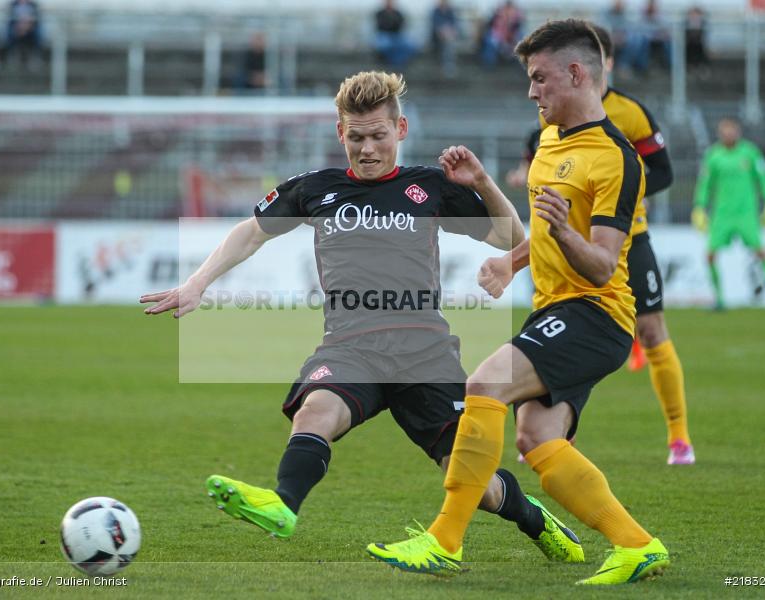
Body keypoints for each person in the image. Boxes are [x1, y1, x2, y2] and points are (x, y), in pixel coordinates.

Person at [141, 71, 584, 564]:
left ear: (401, 129)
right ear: (340, 134)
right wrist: (197, 283)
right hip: (351, 347)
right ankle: (284, 505)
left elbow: (508, 237)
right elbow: (251, 232)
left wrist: (481, 182)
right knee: (316, 412)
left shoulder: (430, 187)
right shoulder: (316, 189)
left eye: (377, 135)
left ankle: (537, 521)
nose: (367, 149)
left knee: (473, 482)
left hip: (425, 352)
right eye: (356, 137)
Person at [367, 20, 669, 585]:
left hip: (595, 313)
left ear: (576, 74)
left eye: (539, 79)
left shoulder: (617, 159)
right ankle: (637, 544)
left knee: (483, 386)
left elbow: (602, 261)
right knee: (538, 441)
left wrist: (564, 233)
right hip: (555, 310)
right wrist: (512, 259)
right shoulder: (551, 137)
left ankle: (444, 540)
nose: (532, 92)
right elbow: (551, 230)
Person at [506, 24, 694, 466]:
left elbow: (662, 172)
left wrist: (618, 197)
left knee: (651, 332)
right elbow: (540, 159)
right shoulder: (553, 113)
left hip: (628, 238)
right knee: (571, 330)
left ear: (596, 64)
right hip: (566, 244)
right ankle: (555, 430)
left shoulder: (630, 115)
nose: (534, 91)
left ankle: (679, 437)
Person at [692, 117, 765, 311]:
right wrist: (699, 206)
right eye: (725, 131)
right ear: (719, 134)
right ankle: (719, 300)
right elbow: (705, 184)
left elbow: (764, 178)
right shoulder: (714, 156)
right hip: (722, 215)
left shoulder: (750, 152)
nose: (728, 135)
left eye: (731, 131)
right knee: (710, 255)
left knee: (762, 253)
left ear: (738, 132)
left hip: (746, 214)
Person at [2, 0, 44, 71]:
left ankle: (35, 56)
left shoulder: (33, 5)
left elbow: (36, 20)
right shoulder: (13, 5)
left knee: (38, 32)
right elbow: (10, 20)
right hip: (16, 29)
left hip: (30, 29)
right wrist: (19, 27)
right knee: (9, 32)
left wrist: (27, 27)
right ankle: (12, 55)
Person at [480, 0, 524, 67]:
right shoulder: (498, 12)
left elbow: (517, 27)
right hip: (498, 36)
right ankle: (488, 64)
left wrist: (510, 39)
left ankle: (520, 64)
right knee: (489, 41)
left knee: (521, 41)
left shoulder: (516, 14)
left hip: (511, 37)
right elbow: (490, 26)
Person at [374, 0, 416, 68]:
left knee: (409, 45)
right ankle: (392, 62)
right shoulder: (380, 13)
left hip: (396, 35)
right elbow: (380, 26)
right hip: (384, 35)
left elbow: (401, 25)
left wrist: (390, 24)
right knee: (386, 45)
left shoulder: (398, 13)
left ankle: (398, 62)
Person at [431, 0, 459, 78]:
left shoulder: (451, 11)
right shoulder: (435, 12)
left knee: (449, 42)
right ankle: (448, 66)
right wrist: (444, 32)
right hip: (437, 38)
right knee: (448, 42)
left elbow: (455, 26)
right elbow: (435, 27)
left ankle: (448, 66)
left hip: (449, 37)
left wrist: (450, 32)